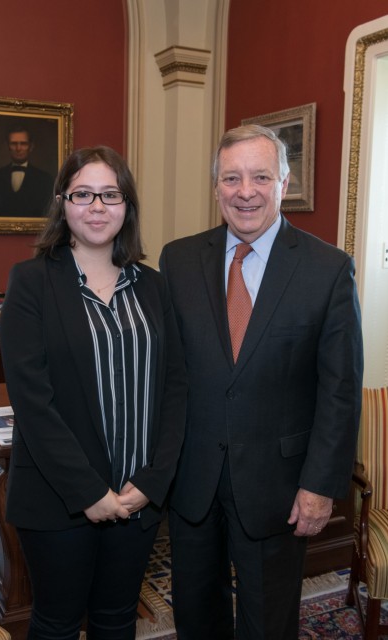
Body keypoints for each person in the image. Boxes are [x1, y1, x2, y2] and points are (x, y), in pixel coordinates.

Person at [159, 124, 364, 640]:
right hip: (193, 481)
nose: (244, 191)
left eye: (260, 176)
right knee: (195, 616)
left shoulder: (328, 269)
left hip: (279, 486)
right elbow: (169, 374)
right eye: (231, 178)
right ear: (216, 187)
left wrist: (320, 486)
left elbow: (339, 390)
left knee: (268, 621)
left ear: (284, 181)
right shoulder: (178, 260)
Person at [0, 145, 187, 640]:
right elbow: (32, 403)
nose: (98, 207)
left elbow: (175, 389)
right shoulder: (31, 282)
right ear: (63, 202)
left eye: (111, 194)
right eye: (83, 194)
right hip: (57, 499)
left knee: (116, 619)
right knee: (57, 624)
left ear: (128, 206)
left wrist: (154, 480)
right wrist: (89, 492)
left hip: (137, 498)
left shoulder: (154, 286)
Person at [0, 124, 54, 217]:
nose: (18, 148)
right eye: (14, 143)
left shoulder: (45, 179)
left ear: (31, 146)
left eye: (23, 144)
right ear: (8, 146)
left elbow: (49, 214)